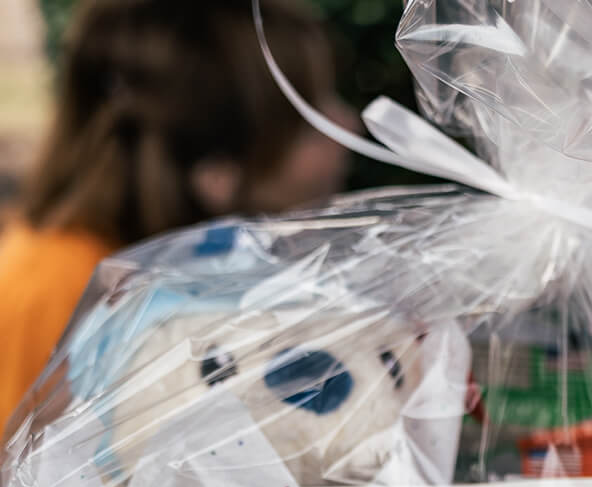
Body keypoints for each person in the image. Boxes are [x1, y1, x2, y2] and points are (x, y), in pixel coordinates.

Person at [0, 0, 353, 432]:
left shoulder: (172, 271)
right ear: (219, 171)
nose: (348, 125)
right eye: (309, 118)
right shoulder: (64, 290)